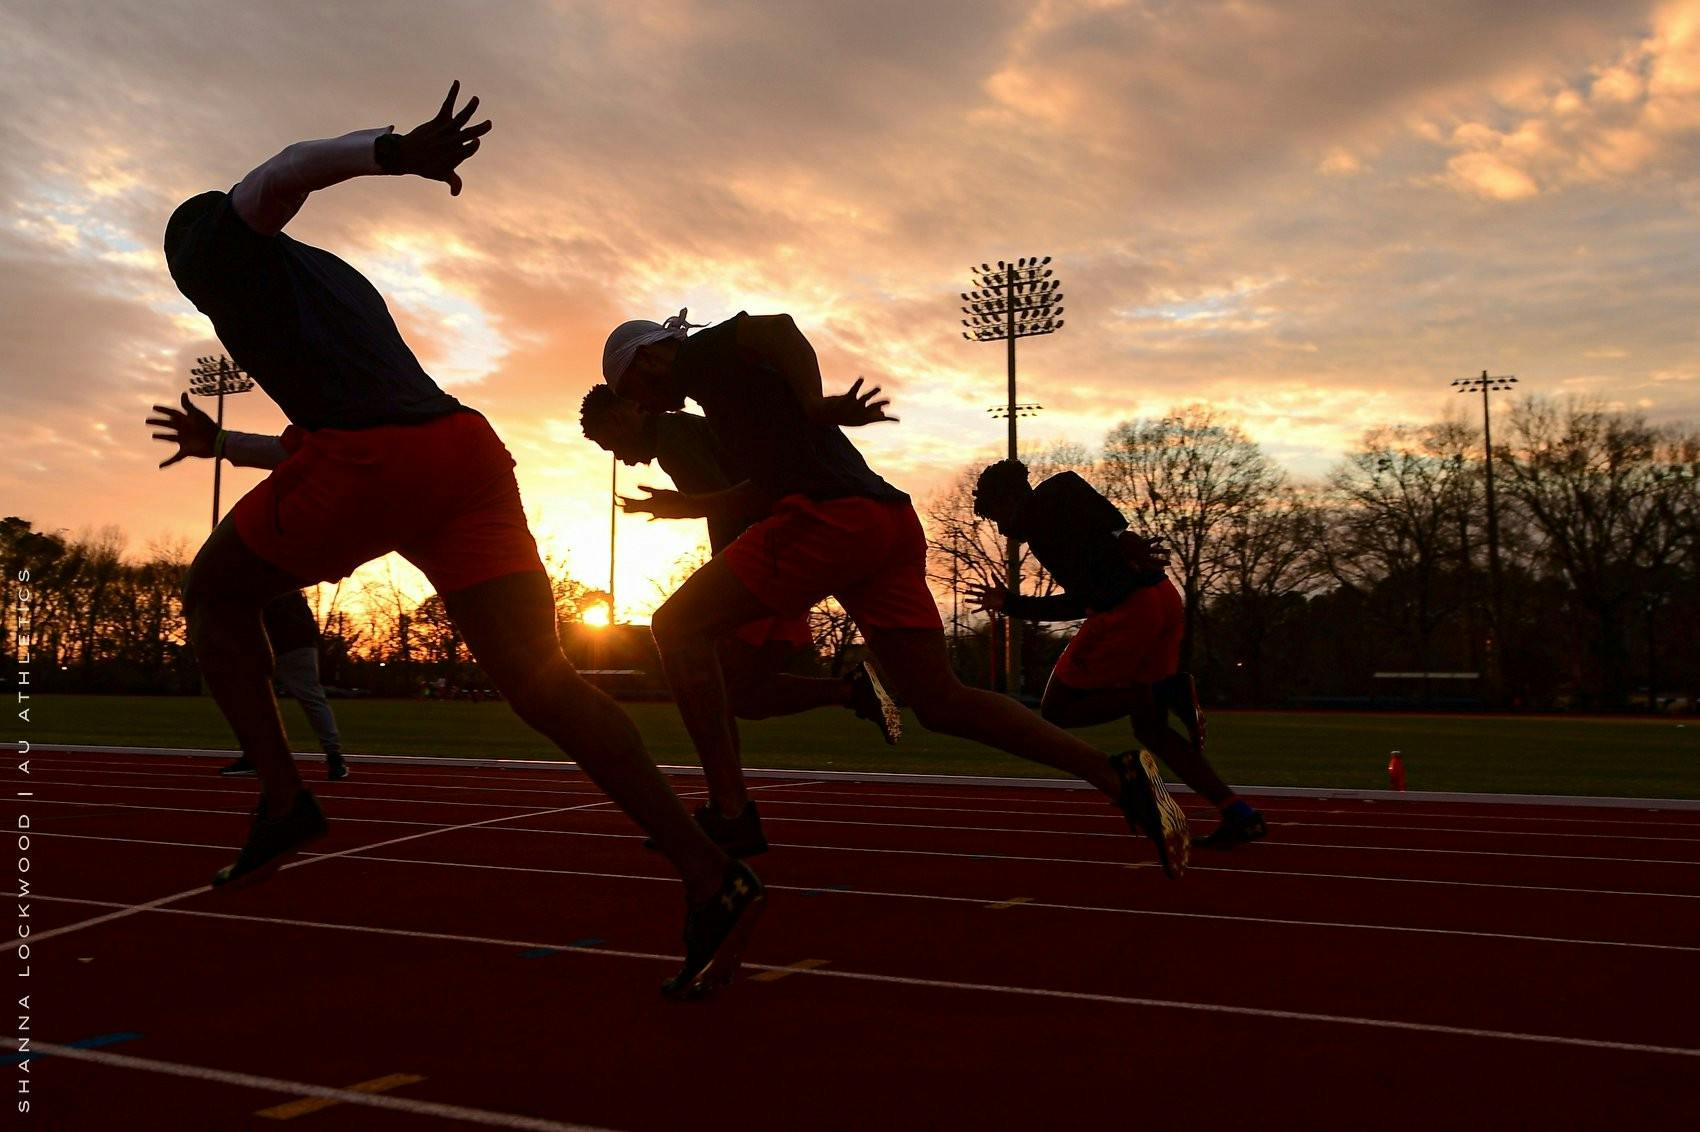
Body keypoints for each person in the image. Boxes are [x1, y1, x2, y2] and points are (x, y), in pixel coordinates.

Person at [153, 83, 759, 999]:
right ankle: (708, 872)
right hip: (463, 456)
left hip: (377, 468)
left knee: (215, 592)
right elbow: (312, 442)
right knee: (543, 684)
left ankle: (283, 799)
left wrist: (396, 151)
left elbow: (287, 170)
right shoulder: (331, 288)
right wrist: (223, 445)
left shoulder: (226, 247)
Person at [604, 310, 1190, 875]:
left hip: (828, 522)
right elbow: (764, 487)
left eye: (626, 386)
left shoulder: (703, 357)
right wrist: (688, 505)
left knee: (676, 628)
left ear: (650, 357)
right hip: (886, 521)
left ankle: (732, 812)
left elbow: (778, 328)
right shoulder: (727, 404)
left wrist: (814, 403)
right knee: (938, 700)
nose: (634, 402)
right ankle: (1116, 776)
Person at [581, 383, 902, 850]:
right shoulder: (680, 433)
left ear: (622, 417)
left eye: (610, 444)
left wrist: (724, 580)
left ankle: (732, 809)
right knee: (736, 694)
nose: (622, 459)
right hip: (780, 547)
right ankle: (850, 694)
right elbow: (730, 497)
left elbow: (734, 505)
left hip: (773, 552)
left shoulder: (673, 438)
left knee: (695, 658)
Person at [967, 459, 1267, 848]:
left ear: (1009, 499)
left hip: (1128, 610)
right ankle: (1238, 813)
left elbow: (1082, 600)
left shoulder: (1040, 514)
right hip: (1161, 597)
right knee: (1151, 728)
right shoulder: (1054, 502)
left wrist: (1013, 604)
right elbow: (1080, 502)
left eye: (996, 516)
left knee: (1059, 708)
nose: (1003, 529)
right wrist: (1120, 534)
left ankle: (1165, 691)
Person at [213, 589, 348, 780]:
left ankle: (253, 756)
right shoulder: (292, 586)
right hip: (301, 643)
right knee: (313, 700)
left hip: (276, 644)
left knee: (251, 699)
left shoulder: (259, 581)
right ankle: (334, 756)